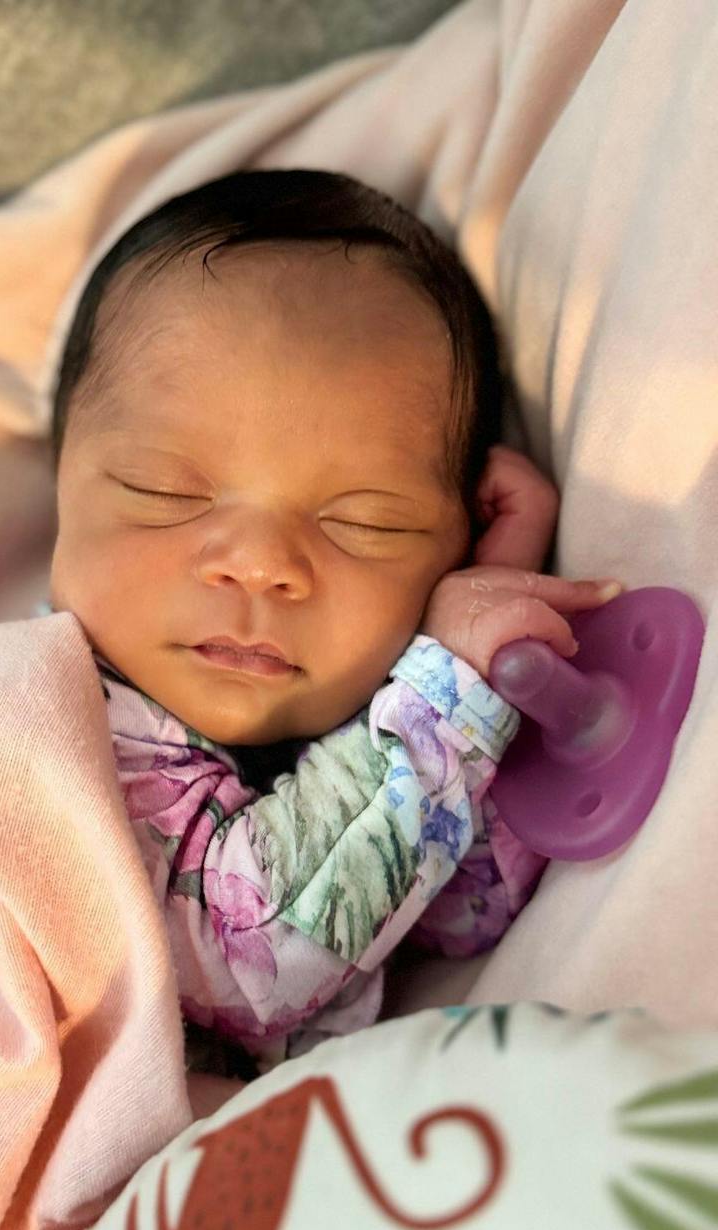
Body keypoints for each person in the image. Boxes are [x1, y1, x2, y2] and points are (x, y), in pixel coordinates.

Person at [38, 168, 622, 1066]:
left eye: (365, 523)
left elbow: (465, 915)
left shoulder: (354, 715)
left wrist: (487, 606)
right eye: (163, 491)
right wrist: (447, 696)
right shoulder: (65, 721)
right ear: (60, 495)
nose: (261, 563)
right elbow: (254, 960)